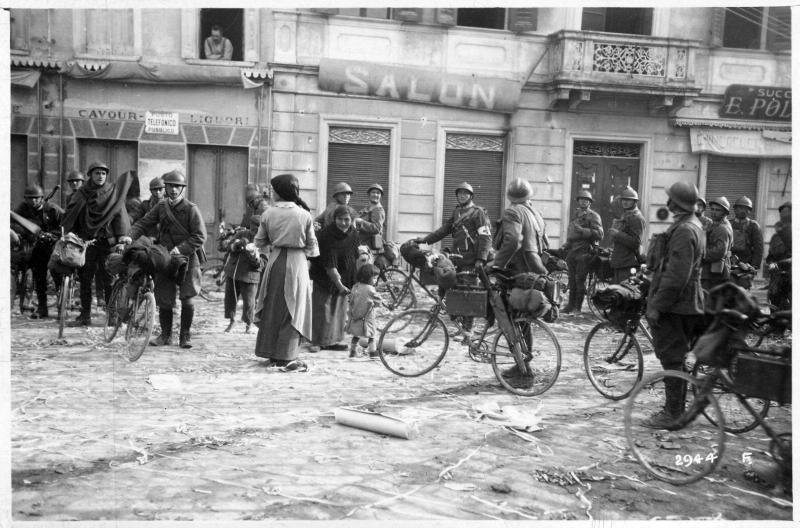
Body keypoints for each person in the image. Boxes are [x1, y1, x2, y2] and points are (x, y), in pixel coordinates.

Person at [644, 181, 706, 429]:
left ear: (676, 203)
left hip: (677, 305)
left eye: (670, 199)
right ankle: (679, 409)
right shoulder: (693, 225)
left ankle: (673, 413)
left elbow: (677, 276)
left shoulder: (684, 229)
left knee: (672, 359)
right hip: (687, 303)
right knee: (679, 358)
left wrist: (656, 305)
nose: (667, 203)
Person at [129, 170, 207, 349]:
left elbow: (200, 236)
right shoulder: (161, 207)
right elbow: (143, 223)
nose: (173, 190)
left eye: (177, 187)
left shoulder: (191, 209)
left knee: (187, 297)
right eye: (170, 186)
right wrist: (129, 236)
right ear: (166, 188)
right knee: (164, 297)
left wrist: (181, 249)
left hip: (188, 257)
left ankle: (185, 336)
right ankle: (165, 335)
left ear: (182, 189)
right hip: (165, 256)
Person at [253, 173, 318, 369]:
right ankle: (287, 355)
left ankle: (271, 353)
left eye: (273, 190)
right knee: (294, 307)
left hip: (275, 262)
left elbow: (259, 241)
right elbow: (313, 248)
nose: (271, 193)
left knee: (273, 306)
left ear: (280, 192)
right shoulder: (304, 215)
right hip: (297, 263)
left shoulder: (268, 214)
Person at [61, 161, 134, 326]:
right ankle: (85, 315)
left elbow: (120, 215)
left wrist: (122, 237)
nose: (100, 176)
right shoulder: (82, 193)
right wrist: (70, 233)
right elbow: (72, 213)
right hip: (86, 242)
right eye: (96, 173)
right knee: (85, 278)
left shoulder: (112, 193)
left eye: (103, 173)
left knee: (108, 279)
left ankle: (112, 316)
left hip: (106, 243)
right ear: (90, 175)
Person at [310, 205, 360, 352]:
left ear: (352, 220)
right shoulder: (326, 235)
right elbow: (329, 264)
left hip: (345, 276)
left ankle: (334, 341)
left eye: (347, 220)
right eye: (340, 219)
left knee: (339, 309)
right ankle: (317, 341)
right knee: (323, 309)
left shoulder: (354, 234)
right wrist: (338, 284)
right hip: (324, 276)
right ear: (334, 219)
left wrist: (354, 280)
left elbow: (355, 256)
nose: (343, 223)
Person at [12, 183, 64, 319]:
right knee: (39, 278)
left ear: (41, 198)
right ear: (26, 199)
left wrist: (54, 234)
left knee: (58, 276)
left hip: (53, 247)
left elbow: (66, 224)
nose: (33, 201)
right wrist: (18, 232)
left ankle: (61, 308)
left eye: (36, 198)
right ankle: (42, 308)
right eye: (30, 198)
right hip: (36, 248)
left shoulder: (52, 209)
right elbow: (12, 221)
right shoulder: (23, 209)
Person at [413, 181, 492, 272]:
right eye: (459, 193)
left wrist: (481, 259)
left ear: (471, 196)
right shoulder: (457, 211)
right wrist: (425, 239)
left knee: (469, 285)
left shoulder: (478, 212)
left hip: (471, 261)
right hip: (457, 258)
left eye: (465, 193)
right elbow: (444, 230)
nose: (462, 196)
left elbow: (486, 238)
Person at [493, 178, 548, 275]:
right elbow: (545, 244)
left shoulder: (513, 212)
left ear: (510, 197)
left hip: (517, 270)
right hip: (537, 268)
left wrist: (497, 264)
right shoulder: (538, 214)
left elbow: (513, 240)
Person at [563, 190, 604, 314]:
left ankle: (577, 307)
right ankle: (570, 305)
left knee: (580, 280)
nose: (583, 201)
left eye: (586, 200)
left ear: (590, 202)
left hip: (585, 251)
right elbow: (572, 232)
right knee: (571, 280)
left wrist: (583, 230)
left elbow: (600, 235)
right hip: (573, 250)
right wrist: (568, 243)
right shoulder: (576, 214)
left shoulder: (594, 216)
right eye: (581, 199)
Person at [609, 186, 645, 284]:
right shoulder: (626, 214)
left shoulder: (637, 218)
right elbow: (613, 204)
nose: (625, 202)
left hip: (628, 263)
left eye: (629, 200)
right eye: (623, 200)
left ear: (635, 202)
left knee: (623, 294)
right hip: (620, 262)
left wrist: (618, 234)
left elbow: (636, 243)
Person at [345, 263, 382, 359]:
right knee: (372, 334)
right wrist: (378, 304)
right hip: (367, 316)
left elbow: (350, 298)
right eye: (374, 278)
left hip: (356, 315)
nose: (376, 280)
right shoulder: (370, 289)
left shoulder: (355, 286)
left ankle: (352, 352)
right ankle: (373, 352)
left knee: (356, 334)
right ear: (367, 277)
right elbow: (378, 300)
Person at [701, 197, 733, 290]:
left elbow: (718, 252)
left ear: (725, 213)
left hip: (715, 274)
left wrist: (700, 253)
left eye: (718, 210)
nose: (714, 212)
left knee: (708, 300)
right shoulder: (715, 224)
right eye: (713, 209)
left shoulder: (722, 228)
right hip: (712, 271)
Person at [730, 196, 764, 284]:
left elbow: (758, 248)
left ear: (749, 211)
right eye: (740, 208)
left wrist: (754, 266)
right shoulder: (728, 224)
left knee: (743, 290)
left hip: (746, 265)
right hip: (729, 263)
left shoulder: (753, 226)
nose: (743, 210)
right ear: (735, 209)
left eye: (746, 208)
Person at [766, 201, 791, 310]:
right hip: (776, 276)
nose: (783, 215)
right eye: (782, 213)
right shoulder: (776, 237)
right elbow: (770, 255)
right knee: (774, 300)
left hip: (790, 275)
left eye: (787, 212)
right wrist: (771, 263)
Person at [356, 183, 386, 255]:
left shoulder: (379, 210)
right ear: (369, 195)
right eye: (373, 192)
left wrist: (361, 222)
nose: (375, 195)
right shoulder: (365, 209)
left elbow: (376, 228)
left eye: (378, 193)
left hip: (371, 246)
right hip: (361, 243)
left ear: (380, 196)